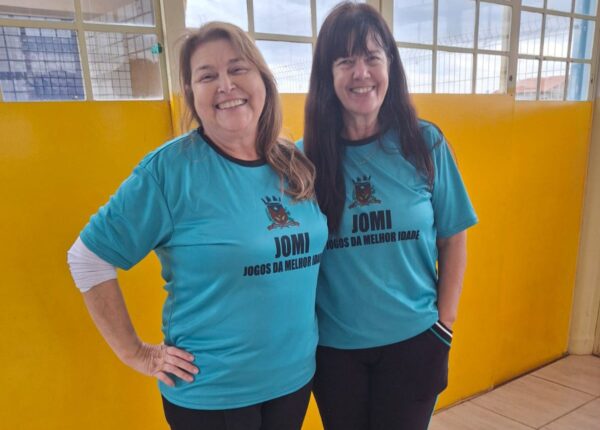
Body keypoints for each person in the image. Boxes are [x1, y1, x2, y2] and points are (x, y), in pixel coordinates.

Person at [67, 22, 327, 430]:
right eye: (207, 76)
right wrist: (136, 353)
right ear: (191, 93)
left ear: (263, 79)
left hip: (292, 382)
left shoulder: (293, 162)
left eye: (238, 69)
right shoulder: (169, 171)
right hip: (212, 395)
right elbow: (87, 258)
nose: (226, 85)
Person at [302, 3, 478, 429]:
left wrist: (445, 323)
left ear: (390, 65)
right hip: (335, 352)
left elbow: (453, 237)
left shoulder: (425, 143)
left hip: (415, 342)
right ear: (328, 75)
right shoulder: (305, 160)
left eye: (372, 57)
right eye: (345, 61)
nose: (361, 73)